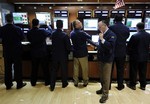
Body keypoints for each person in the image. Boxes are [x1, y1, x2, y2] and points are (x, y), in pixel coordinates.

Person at [0, 13, 26, 90]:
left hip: (7, 51)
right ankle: (19, 84)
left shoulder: (2, 29)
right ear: (13, 20)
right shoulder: (17, 29)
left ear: (5, 20)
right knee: (18, 68)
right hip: (16, 51)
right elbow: (23, 38)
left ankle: (8, 84)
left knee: (7, 68)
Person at [96, 20, 116, 103]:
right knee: (101, 76)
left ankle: (105, 95)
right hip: (101, 58)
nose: (99, 28)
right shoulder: (102, 33)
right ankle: (102, 88)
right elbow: (101, 45)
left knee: (106, 78)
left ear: (105, 26)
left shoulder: (112, 34)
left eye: (100, 26)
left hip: (107, 59)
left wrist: (102, 39)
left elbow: (110, 47)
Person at [27, 18, 51, 86]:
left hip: (33, 53)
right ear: (38, 24)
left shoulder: (29, 32)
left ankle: (33, 82)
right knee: (45, 68)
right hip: (42, 52)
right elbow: (50, 32)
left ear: (32, 24)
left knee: (34, 68)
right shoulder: (42, 31)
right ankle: (47, 82)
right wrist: (48, 25)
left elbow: (29, 39)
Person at [127, 22, 150, 90]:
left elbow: (129, 46)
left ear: (137, 27)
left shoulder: (134, 36)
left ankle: (133, 85)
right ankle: (143, 85)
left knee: (133, 71)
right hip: (145, 57)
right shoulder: (148, 35)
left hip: (135, 57)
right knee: (143, 71)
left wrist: (129, 53)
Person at [109, 14, 130, 90]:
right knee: (120, 70)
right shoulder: (126, 28)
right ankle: (120, 86)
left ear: (114, 19)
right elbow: (127, 37)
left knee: (109, 70)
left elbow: (108, 38)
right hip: (121, 51)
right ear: (122, 19)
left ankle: (108, 86)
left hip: (112, 51)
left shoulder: (111, 27)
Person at [50, 20, 71, 91]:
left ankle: (52, 86)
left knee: (54, 70)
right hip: (63, 55)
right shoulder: (65, 35)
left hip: (54, 55)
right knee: (63, 70)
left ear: (56, 25)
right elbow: (68, 47)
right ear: (62, 26)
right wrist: (67, 53)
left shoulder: (53, 34)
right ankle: (64, 84)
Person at [70, 19, 91, 87]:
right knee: (84, 69)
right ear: (76, 25)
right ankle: (85, 82)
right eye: (79, 23)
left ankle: (76, 82)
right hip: (82, 54)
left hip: (75, 53)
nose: (81, 23)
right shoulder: (81, 33)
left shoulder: (72, 33)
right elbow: (89, 37)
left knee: (76, 69)